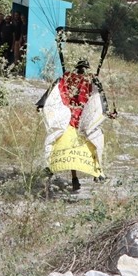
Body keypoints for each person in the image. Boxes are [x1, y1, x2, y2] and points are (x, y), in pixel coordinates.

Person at [36, 58, 116, 192]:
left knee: (60, 145)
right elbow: (99, 100)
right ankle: (97, 173)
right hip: (81, 121)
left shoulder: (66, 79)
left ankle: (61, 172)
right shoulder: (89, 80)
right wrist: (107, 113)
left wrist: (42, 105)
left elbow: (50, 94)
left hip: (68, 120)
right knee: (94, 144)